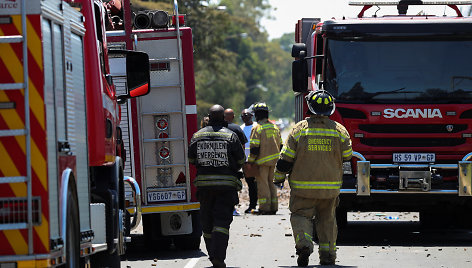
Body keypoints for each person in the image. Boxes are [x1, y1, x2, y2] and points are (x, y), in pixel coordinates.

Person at [273, 90, 352, 266]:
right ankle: (328, 256)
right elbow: (347, 155)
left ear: (310, 107)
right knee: (327, 220)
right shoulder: (339, 130)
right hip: (330, 189)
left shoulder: (299, 130)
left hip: (303, 189)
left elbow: (285, 159)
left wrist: (278, 178)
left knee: (301, 215)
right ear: (331, 108)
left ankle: (304, 244)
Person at [188, 105, 246, 268]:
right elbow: (241, 161)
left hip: (205, 187)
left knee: (206, 222)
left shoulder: (197, 136)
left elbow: (191, 159)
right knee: (221, 222)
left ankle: (212, 254)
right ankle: (218, 257)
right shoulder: (231, 136)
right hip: (226, 187)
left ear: (209, 117)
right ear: (224, 119)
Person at [247, 102, 282, 215]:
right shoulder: (275, 127)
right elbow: (281, 146)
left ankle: (264, 208)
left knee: (263, 185)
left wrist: (250, 162)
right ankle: (273, 207)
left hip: (262, 163)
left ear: (256, 115)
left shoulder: (257, 128)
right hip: (275, 163)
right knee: (272, 185)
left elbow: (254, 149)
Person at [240, 109, 258, 213]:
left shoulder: (256, 127)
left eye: (247, 115)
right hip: (247, 162)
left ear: (252, 116)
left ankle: (260, 205)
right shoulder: (241, 128)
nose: (245, 117)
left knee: (260, 184)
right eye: (243, 116)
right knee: (251, 185)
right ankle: (253, 205)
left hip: (257, 161)